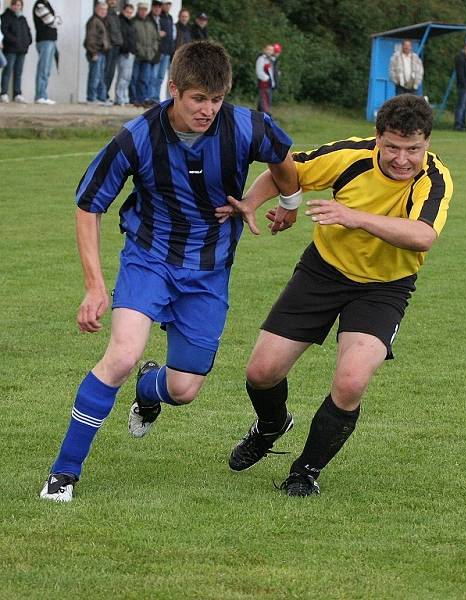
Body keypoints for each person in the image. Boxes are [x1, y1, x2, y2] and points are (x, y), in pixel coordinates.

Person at [39, 40, 301, 503]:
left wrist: (287, 203)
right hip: (149, 258)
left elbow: (284, 161)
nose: (208, 110)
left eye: (216, 99)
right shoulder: (137, 135)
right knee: (121, 354)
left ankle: (149, 386)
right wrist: (95, 286)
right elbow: (88, 206)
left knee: (183, 390)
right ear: (174, 89)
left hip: (209, 269)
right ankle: (63, 474)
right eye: (198, 99)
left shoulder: (246, 126)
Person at [216, 94, 453, 497]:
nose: (402, 159)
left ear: (426, 143)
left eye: (413, 149)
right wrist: (255, 203)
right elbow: (285, 170)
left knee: (350, 381)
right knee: (261, 372)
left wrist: (353, 217)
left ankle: (304, 472)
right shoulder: (350, 156)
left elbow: (422, 236)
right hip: (322, 273)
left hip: (384, 287)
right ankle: (272, 426)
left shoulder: (434, 179)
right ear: (377, 137)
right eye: (392, 146)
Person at [1, 0, 32, 104]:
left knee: (18, 73)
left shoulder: (23, 19)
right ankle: (4, 93)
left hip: (22, 50)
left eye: (19, 5)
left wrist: (28, 42)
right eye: (15, 5)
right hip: (10, 49)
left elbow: (28, 32)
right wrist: (14, 41)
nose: (17, 7)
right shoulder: (5, 17)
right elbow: (4, 31)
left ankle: (17, 94)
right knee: (7, 71)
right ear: (11, 5)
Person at [130, 1, 158, 106]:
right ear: (138, 10)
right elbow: (132, 38)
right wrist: (138, 49)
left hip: (148, 56)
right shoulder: (133, 22)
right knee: (134, 78)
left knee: (144, 79)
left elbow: (156, 39)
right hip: (137, 55)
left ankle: (142, 100)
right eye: (141, 9)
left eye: (145, 10)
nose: (143, 12)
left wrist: (153, 50)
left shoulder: (150, 23)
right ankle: (133, 99)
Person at [84, 1, 111, 105]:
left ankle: (101, 98)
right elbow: (90, 39)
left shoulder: (101, 21)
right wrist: (93, 52)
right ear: (96, 9)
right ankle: (91, 98)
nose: (104, 12)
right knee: (95, 76)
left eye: (105, 10)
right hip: (96, 53)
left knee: (101, 77)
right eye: (101, 9)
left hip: (102, 53)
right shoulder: (94, 21)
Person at [32, 0, 59, 105]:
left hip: (51, 40)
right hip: (45, 40)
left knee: (47, 69)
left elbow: (56, 21)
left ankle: (43, 94)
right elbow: (50, 21)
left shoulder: (47, 5)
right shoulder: (40, 5)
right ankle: (40, 95)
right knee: (43, 68)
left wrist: (55, 20)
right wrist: (55, 20)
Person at [114, 2, 136, 105]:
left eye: (131, 12)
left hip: (131, 53)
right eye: (127, 12)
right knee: (122, 76)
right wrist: (125, 48)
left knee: (127, 77)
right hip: (123, 52)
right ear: (123, 11)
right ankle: (119, 98)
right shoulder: (120, 21)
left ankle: (124, 97)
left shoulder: (130, 22)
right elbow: (121, 37)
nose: (129, 14)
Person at [153, 0, 174, 101]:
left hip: (167, 52)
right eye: (166, 4)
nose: (168, 6)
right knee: (154, 76)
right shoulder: (158, 17)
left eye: (169, 4)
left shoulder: (170, 17)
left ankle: (156, 97)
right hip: (158, 51)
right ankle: (152, 97)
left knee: (161, 77)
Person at [103, 0, 123, 97]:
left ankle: (105, 93)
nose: (113, 1)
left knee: (111, 72)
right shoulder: (105, 11)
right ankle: (103, 94)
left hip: (116, 46)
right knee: (106, 71)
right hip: (109, 46)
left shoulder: (114, 13)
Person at [255, 42, 276, 114]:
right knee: (264, 102)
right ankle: (265, 117)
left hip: (269, 84)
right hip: (264, 84)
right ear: (264, 50)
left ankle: (260, 117)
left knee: (267, 101)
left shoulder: (271, 60)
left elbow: (271, 73)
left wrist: (272, 82)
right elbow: (259, 72)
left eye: (271, 50)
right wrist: (267, 79)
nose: (270, 51)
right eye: (268, 49)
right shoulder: (261, 59)